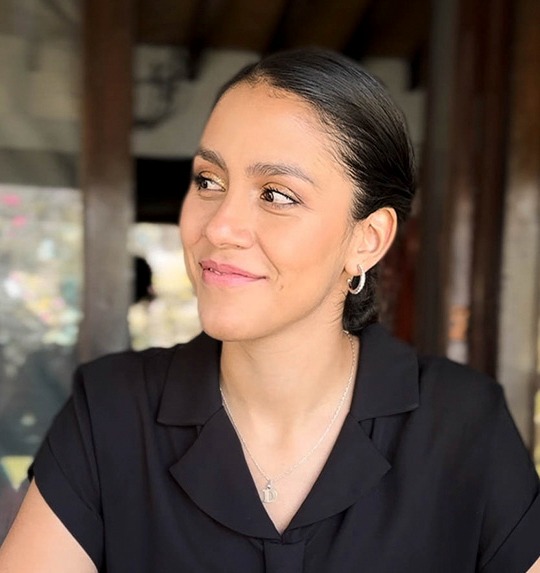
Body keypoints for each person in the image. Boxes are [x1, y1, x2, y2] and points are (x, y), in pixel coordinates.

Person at [0, 48, 539, 573]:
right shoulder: (112, 412)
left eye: (277, 194)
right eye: (209, 181)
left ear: (368, 240)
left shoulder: (462, 423)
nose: (219, 227)